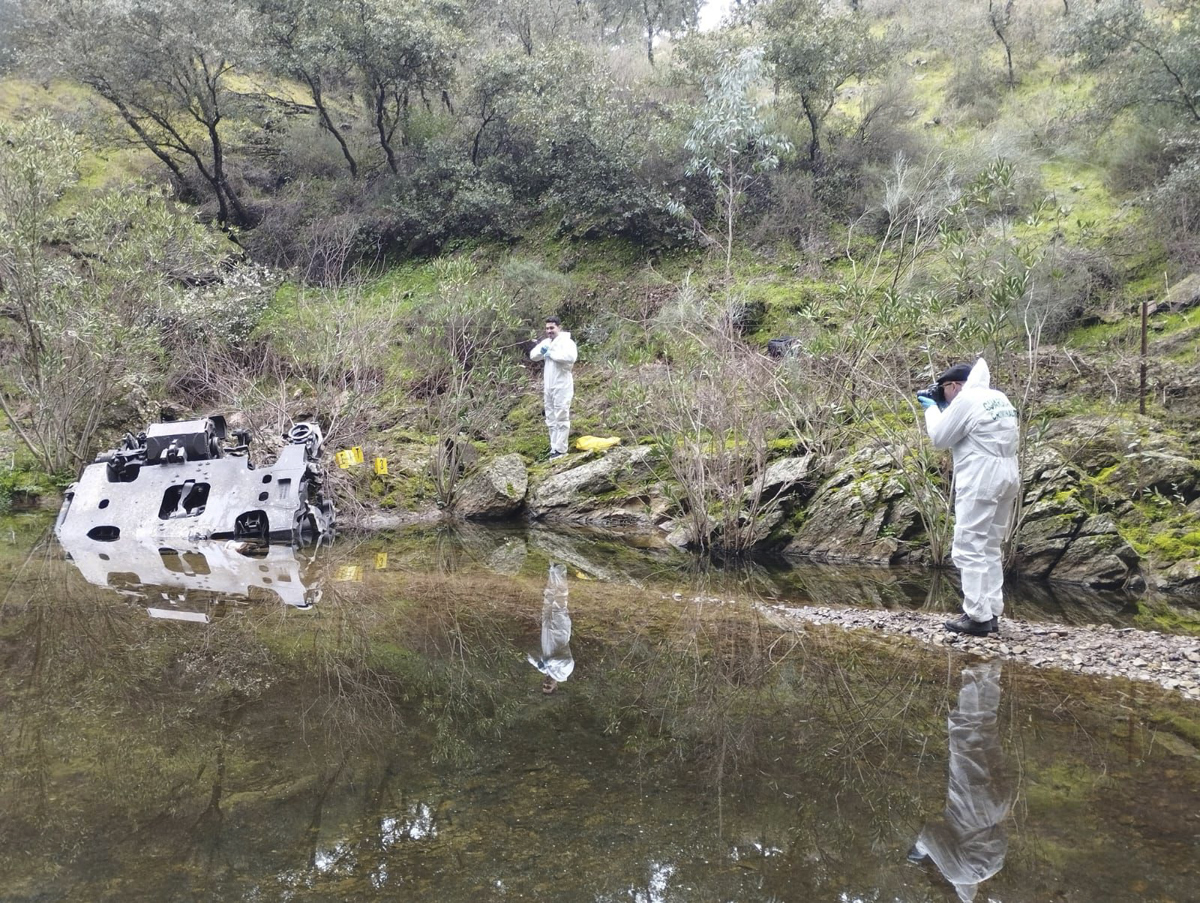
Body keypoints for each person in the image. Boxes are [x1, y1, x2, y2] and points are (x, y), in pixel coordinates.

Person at [919, 358, 1019, 637]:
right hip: (1009, 474)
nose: (945, 398)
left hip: (981, 477)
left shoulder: (967, 399)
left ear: (954, 386)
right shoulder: (998, 397)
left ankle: (976, 616)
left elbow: (939, 437)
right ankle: (992, 610)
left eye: (945, 391)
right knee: (990, 544)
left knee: (968, 545)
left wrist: (931, 409)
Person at [908, 662, 1012, 902]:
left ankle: (990, 674)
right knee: (964, 734)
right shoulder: (956, 873)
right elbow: (928, 834)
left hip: (998, 808)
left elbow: (1002, 837)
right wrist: (918, 852)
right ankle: (975, 673)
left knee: (985, 730)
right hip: (972, 807)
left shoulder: (992, 868)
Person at [529, 317, 578, 459]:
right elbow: (533, 356)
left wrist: (552, 354)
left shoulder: (567, 342)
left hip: (562, 384)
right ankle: (553, 448)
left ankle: (561, 449)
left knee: (561, 416)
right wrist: (542, 352)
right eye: (547, 328)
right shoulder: (546, 342)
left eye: (552, 328)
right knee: (550, 418)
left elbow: (571, 357)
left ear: (559, 327)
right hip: (549, 385)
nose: (549, 331)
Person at [528, 562, 573, 694]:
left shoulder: (546, 670)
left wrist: (538, 664)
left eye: (544, 686)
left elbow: (530, 655)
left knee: (549, 598)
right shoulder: (564, 673)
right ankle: (561, 569)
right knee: (560, 601)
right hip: (560, 631)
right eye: (549, 687)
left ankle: (552, 571)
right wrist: (549, 663)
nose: (546, 684)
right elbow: (567, 661)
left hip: (547, 629)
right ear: (555, 686)